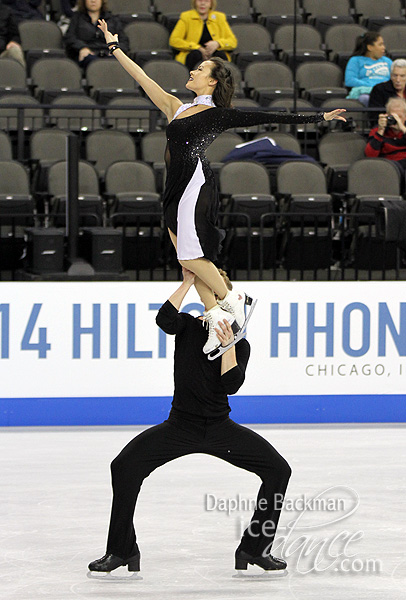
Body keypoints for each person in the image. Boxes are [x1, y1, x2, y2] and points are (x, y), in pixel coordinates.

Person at [97, 18, 346, 355]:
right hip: (173, 187)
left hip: (194, 185)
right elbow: (142, 78)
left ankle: (233, 298)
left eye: (200, 69)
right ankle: (216, 317)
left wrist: (321, 118)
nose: (193, 72)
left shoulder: (218, 114)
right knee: (186, 260)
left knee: (190, 255)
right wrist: (115, 47)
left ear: (212, 81)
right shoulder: (176, 107)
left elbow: (267, 116)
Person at [88, 267, 291, 576]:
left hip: (220, 428)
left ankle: (255, 548)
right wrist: (186, 282)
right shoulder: (188, 326)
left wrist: (228, 345)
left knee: (278, 470)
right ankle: (122, 549)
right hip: (180, 426)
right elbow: (164, 320)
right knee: (124, 466)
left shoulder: (241, 343)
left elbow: (231, 385)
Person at [169, 0, 237, 71]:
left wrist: (218, 43)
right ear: (195, 2)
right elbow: (174, 40)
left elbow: (232, 42)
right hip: (193, 54)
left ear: (211, 4)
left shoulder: (219, 17)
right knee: (195, 55)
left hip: (214, 53)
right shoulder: (186, 17)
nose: (203, 3)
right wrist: (197, 47)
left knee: (220, 56)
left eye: (206, 1)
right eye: (199, 0)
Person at [64, 0, 129, 70]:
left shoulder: (112, 19)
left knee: (116, 62)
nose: (93, 1)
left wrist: (115, 50)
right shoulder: (77, 18)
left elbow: (124, 41)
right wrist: (82, 48)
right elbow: (70, 38)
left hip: (109, 53)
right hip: (88, 55)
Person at [345, 31, 392, 106]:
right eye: (380, 44)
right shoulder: (355, 60)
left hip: (386, 93)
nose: (384, 47)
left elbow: (394, 78)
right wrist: (372, 86)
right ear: (370, 47)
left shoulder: (387, 61)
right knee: (365, 98)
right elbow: (350, 80)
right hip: (366, 93)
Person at [365, 96, 406, 177]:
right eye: (392, 117)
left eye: (399, 117)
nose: (395, 120)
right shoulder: (378, 130)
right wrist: (380, 131)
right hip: (387, 168)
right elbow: (370, 155)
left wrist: (403, 128)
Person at [0, 2, 25, 68]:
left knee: (15, 50)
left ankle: (21, 77)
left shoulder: (6, 11)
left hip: (1, 54)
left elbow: (16, 34)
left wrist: (14, 41)